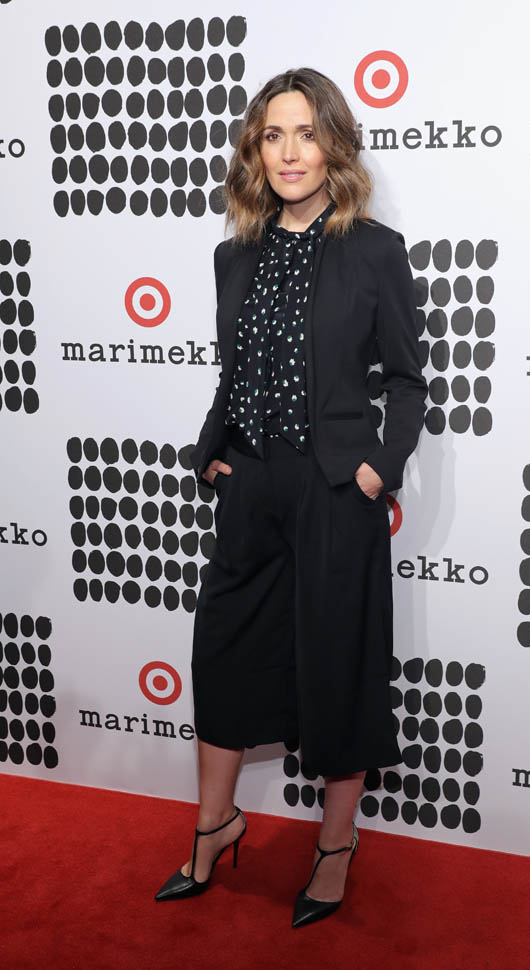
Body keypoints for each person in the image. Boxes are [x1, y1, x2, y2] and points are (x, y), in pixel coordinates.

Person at [155, 67, 426, 928]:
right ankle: (214, 825)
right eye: (272, 135)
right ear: (255, 150)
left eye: (306, 133)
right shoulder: (233, 254)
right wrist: (210, 454)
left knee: (337, 667)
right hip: (250, 483)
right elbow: (234, 374)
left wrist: (376, 468)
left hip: (334, 487)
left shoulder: (374, 250)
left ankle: (335, 846)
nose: (289, 152)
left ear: (333, 144)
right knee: (222, 655)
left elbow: (407, 380)